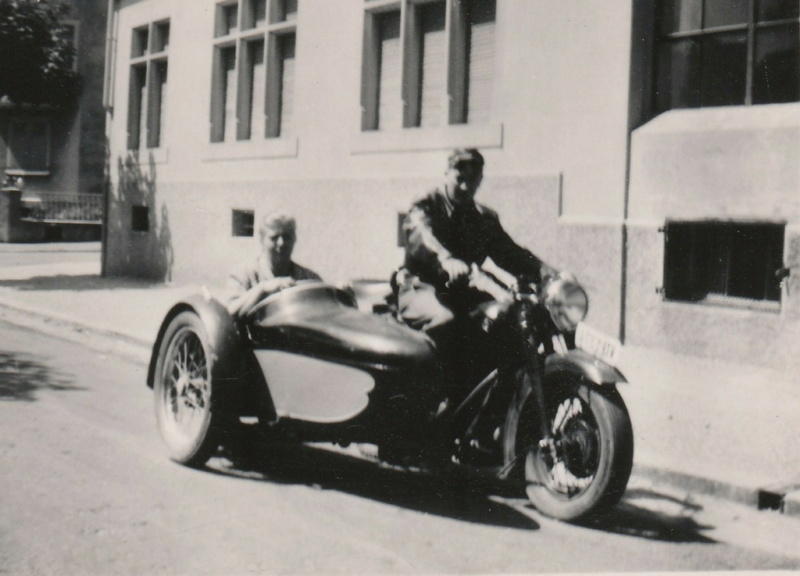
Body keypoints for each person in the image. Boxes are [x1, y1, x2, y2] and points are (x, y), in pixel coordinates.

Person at [396, 148, 545, 435]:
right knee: (445, 322)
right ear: (446, 174)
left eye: (472, 179)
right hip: (420, 288)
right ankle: (436, 408)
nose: (465, 186)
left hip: (460, 294)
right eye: (459, 177)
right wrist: (445, 258)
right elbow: (421, 237)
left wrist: (546, 272)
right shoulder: (425, 206)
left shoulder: (482, 218)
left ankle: (485, 422)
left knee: (507, 322)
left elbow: (508, 252)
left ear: (480, 181)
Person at [227, 212, 321, 319]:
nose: (281, 243)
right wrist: (262, 289)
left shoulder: (309, 277)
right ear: (262, 240)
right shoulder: (244, 275)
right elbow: (230, 313)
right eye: (274, 237)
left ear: (295, 239)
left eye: (287, 237)